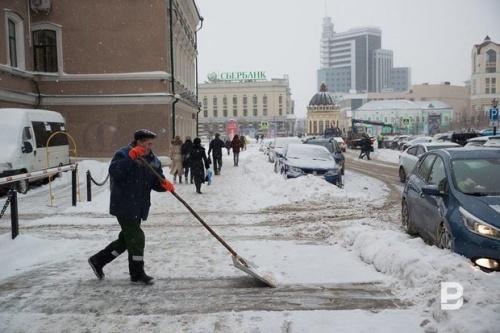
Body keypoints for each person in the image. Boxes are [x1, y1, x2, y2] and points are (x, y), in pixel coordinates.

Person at [88, 129, 175, 285]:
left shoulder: (152, 159)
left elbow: (156, 181)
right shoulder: (123, 154)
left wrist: (164, 185)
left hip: (140, 206)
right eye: (148, 143)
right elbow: (115, 172)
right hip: (124, 204)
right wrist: (130, 158)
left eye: (151, 144)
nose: (150, 146)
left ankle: (98, 260)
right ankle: (137, 273)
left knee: (127, 240)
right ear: (139, 142)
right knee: (137, 237)